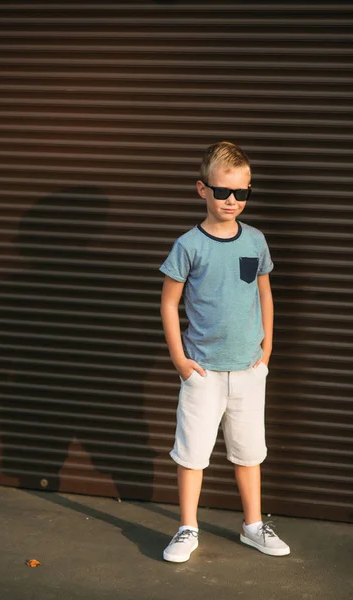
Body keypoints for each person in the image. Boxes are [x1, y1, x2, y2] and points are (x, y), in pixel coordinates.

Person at [159, 141, 290, 562]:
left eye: (242, 193)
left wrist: (266, 349)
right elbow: (167, 302)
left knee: (249, 452)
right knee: (193, 453)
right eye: (222, 192)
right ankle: (187, 527)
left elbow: (264, 294)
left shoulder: (255, 240)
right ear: (202, 190)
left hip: (249, 370)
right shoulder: (188, 245)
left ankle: (252, 525)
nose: (232, 201)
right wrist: (181, 361)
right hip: (204, 372)